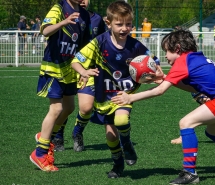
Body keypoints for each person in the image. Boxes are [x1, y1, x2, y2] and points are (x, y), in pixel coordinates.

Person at [111, 29, 215, 184]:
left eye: (167, 51)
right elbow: (194, 88)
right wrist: (165, 78)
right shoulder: (194, 58)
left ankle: (190, 172)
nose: (165, 56)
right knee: (213, 132)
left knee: (186, 123)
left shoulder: (182, 61)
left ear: (177, 48)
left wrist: (130, 97)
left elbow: (160, 91)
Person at [70, 0, 161, 178]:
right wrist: (84, 71)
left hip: (123, 94)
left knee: (120, 122)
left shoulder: (136, 46)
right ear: (108, 23)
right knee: (111, 136)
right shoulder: (99, 42)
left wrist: (156, 73)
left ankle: (127, 144)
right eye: (119, 24)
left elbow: (153, 62)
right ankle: (118, 163)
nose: (124, 28)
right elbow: (76, 61)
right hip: (103, 93)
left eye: (128, 24)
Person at [29, 0, 91, 172]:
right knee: (56, 109)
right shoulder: (59, 8)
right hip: (54, 67)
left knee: (69, 107)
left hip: (70, 70)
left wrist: (84, 70)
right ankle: (40, 153)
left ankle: (45, 136)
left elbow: (85, 46)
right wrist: (63, 22)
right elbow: (45, 30)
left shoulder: (85, 15)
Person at [52, 0, 107, 152]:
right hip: (67, 68)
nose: (83, 1)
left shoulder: (97, 19)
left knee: (86, 108)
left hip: (87, 69)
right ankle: (57, 136)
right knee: (64, 107)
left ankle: (77, 133)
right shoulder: (64, 13)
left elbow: (103, 43)